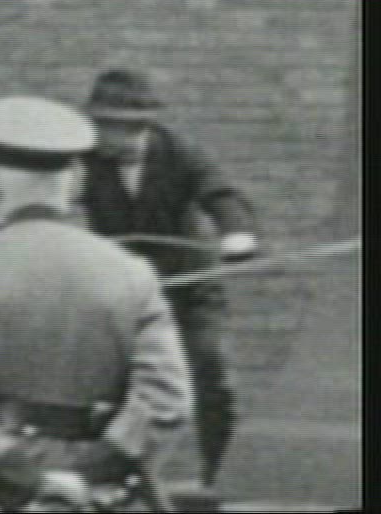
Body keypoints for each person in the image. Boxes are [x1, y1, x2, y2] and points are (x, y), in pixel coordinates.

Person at [0, 95, 193, 512]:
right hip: (104, 492)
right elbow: (167, 399)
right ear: (76, 180)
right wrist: (91, 472)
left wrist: (25, 479)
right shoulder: (131, 273)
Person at [77, 68, 261, 503]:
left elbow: (220, 193)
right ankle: (114, 486)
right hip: (122, 295)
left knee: (209, 371)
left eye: (114, 128)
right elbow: (61, 204)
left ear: (139, 126)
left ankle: (219, 481)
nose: (104, 137)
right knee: (108, 388)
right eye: (100, 125)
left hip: (188, 292)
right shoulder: (82, 158)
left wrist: (237, 233)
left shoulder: (180, 153)